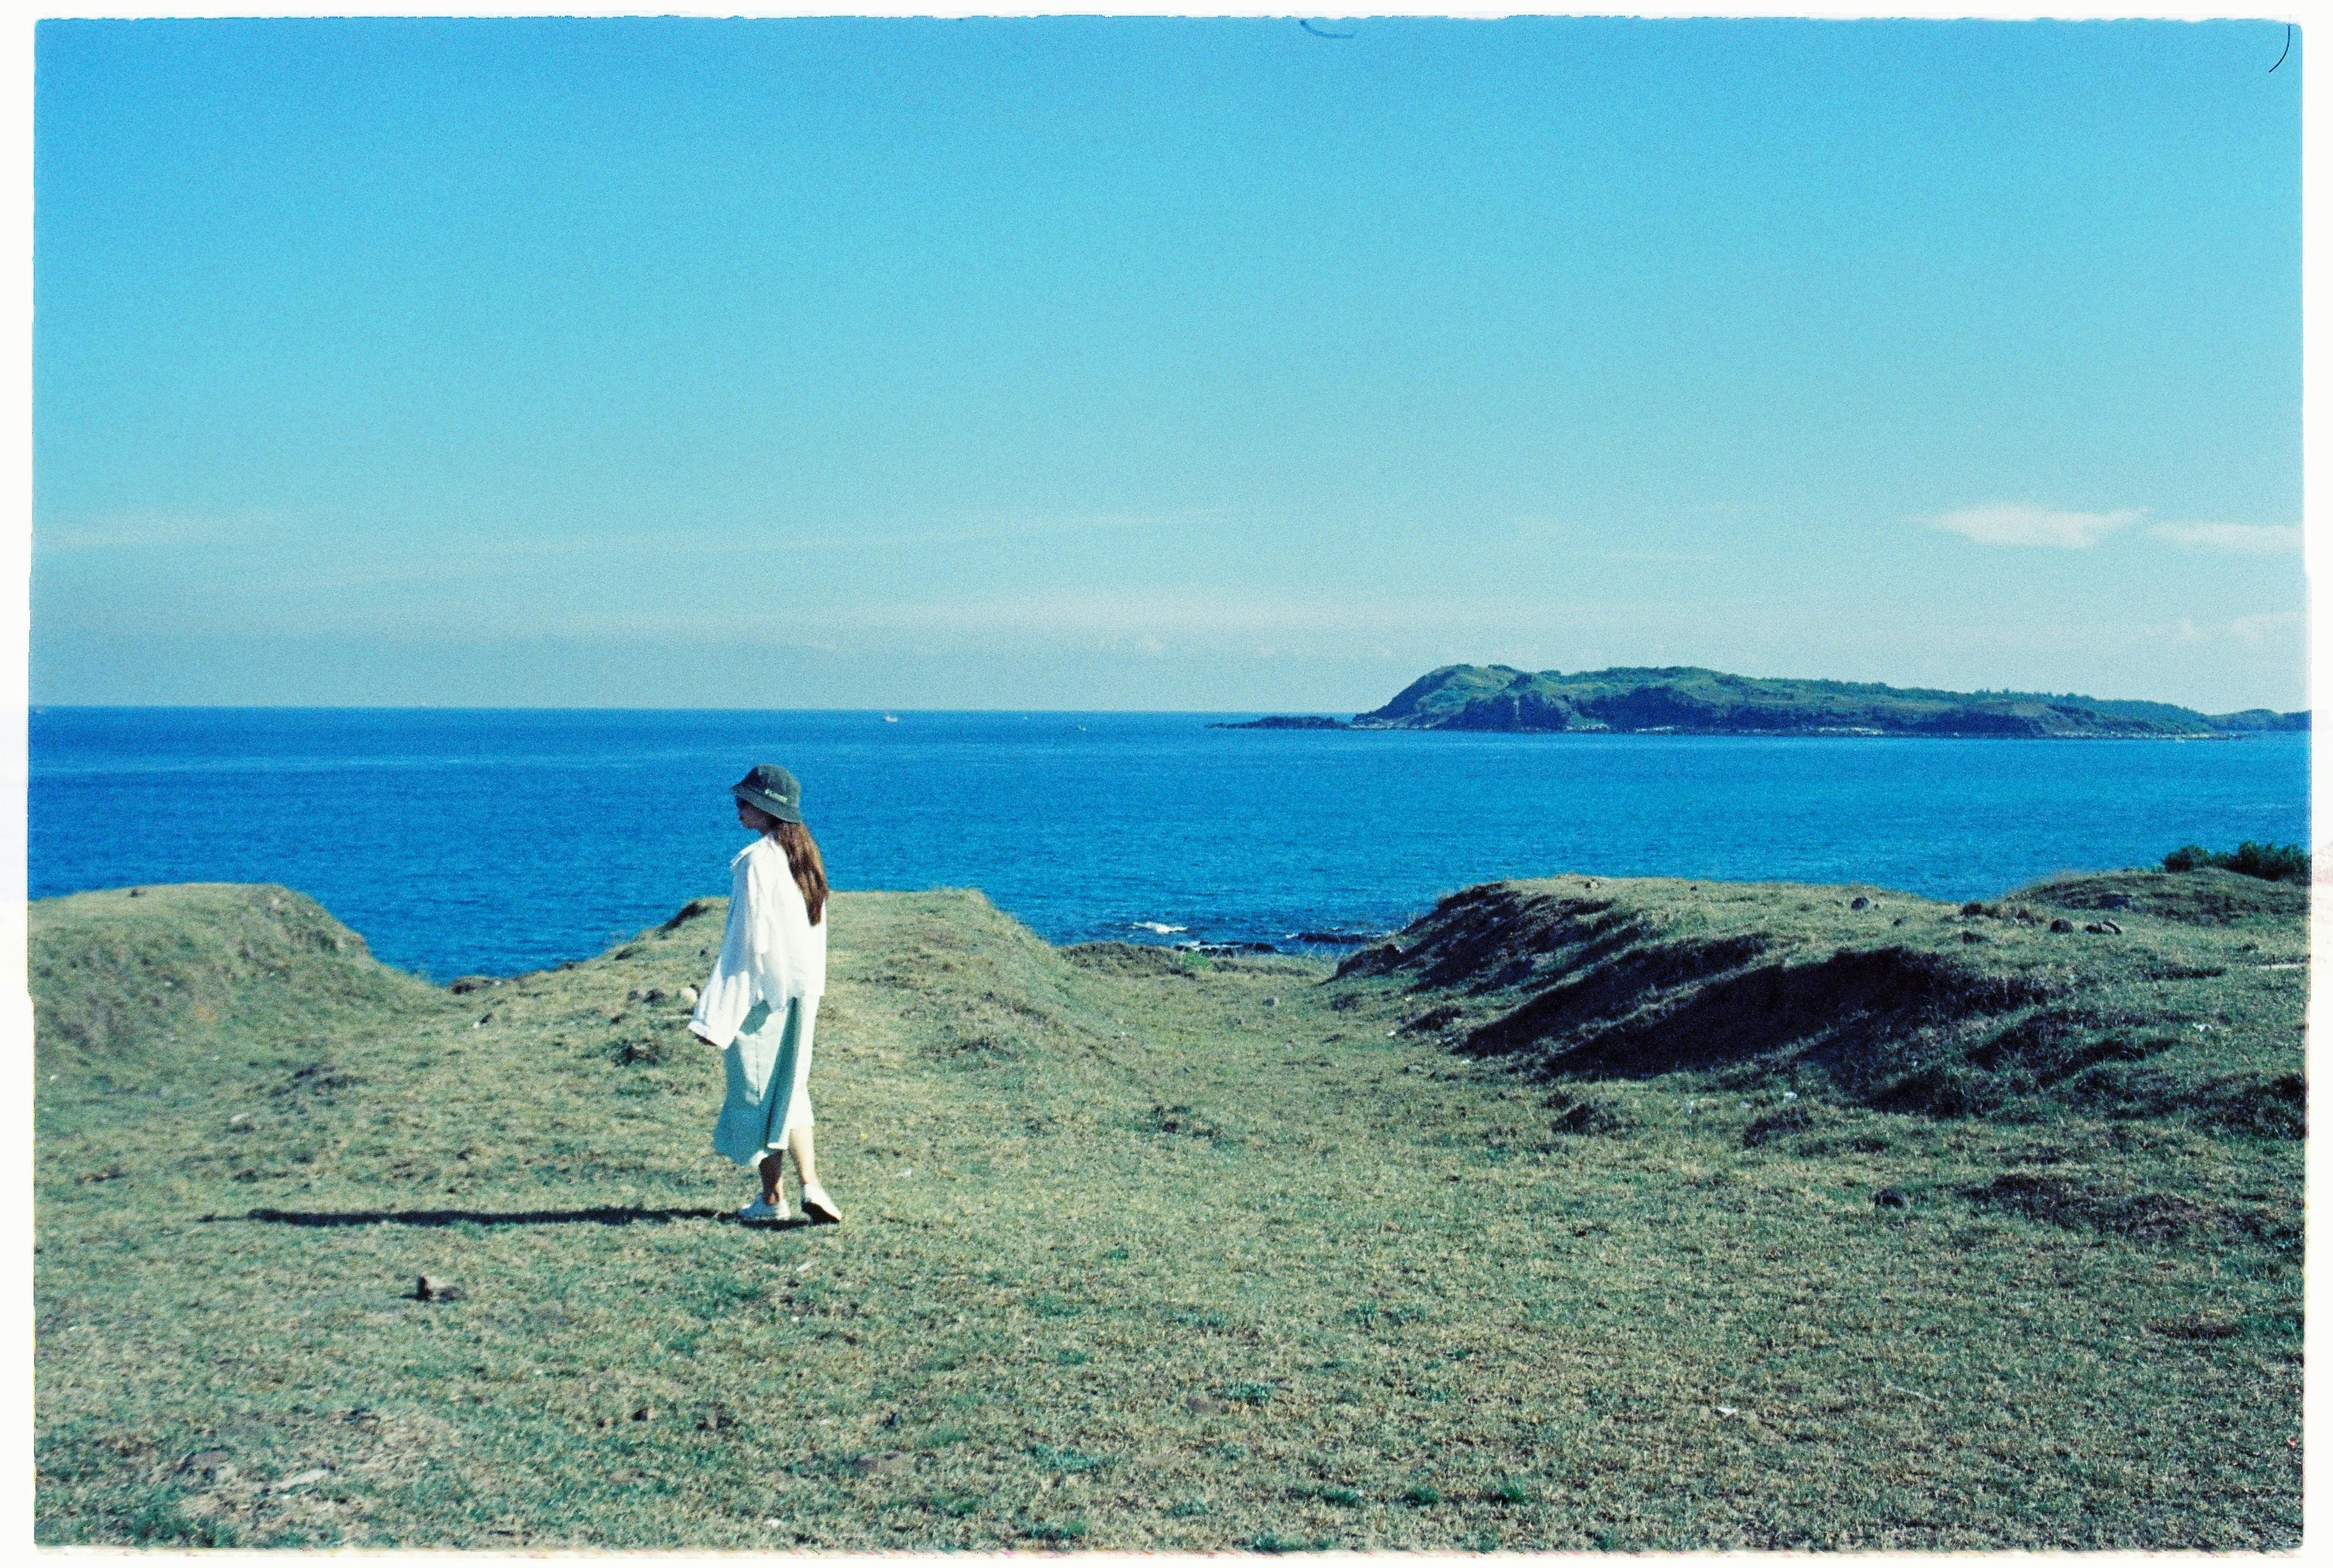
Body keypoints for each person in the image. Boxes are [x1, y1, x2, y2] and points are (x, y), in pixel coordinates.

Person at [689, 763, 841, 1226]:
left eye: (745, 802)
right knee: (791, 1091)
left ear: (767, 809)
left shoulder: (756, 861)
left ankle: (773, 1200)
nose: (737, 808)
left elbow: (744, 944)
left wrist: (715, 1016)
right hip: (801, 994)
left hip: (761, 1000)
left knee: (755, 1096)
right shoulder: (805, 858)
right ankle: (811, 1184)